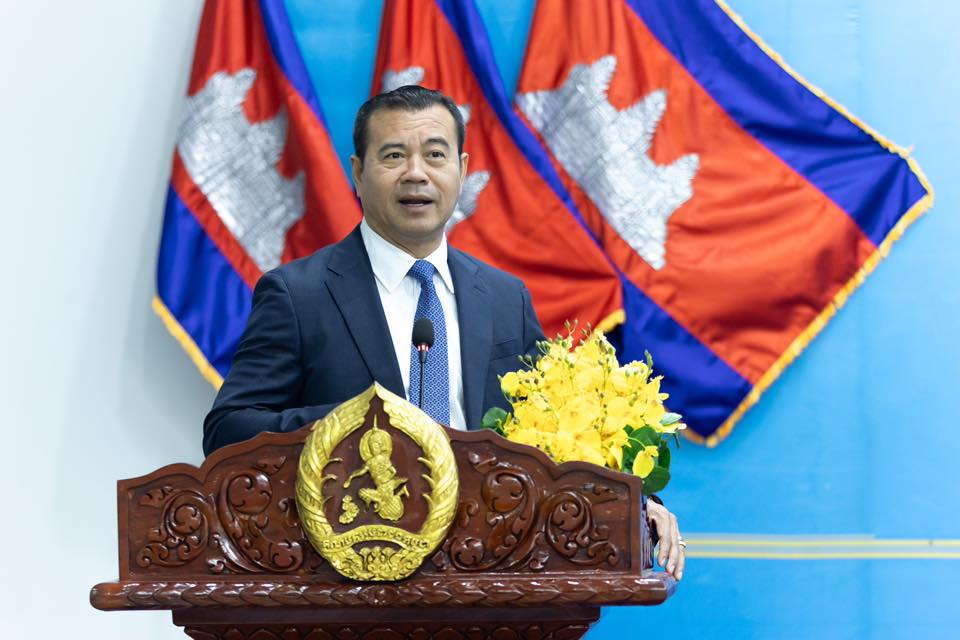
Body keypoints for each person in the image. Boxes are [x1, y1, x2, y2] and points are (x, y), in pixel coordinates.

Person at [203, 85, 684, 580]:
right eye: (394, 155)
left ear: (462, 168)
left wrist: (633, 500)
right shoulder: (299, 294)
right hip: (349, 571)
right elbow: (227, 431)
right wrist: (361, 426)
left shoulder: (504, 298)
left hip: (490, 572)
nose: (416, 173)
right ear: (358, 173)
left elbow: (557, 433)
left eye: (435, 155)